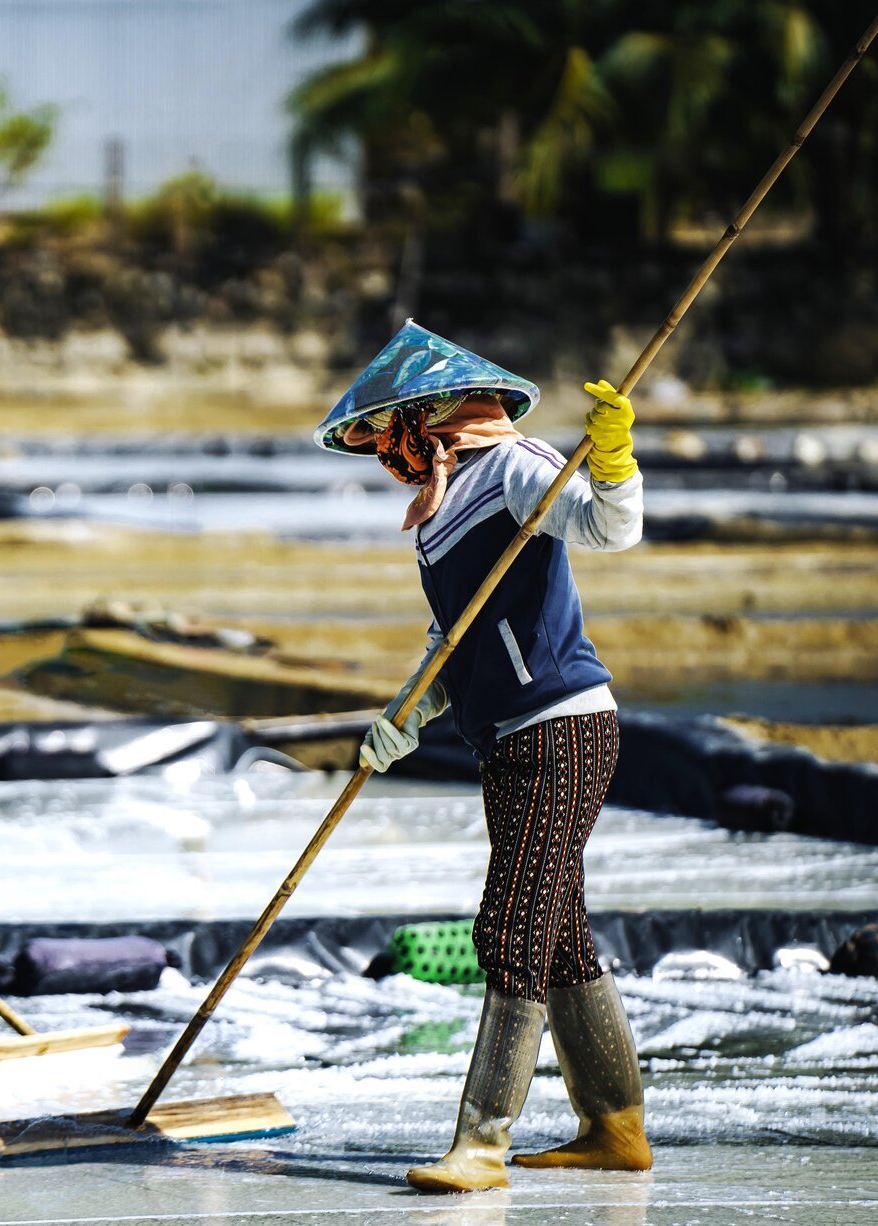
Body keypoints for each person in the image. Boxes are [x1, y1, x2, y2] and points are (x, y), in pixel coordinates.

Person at [315, 320, 650, 1193]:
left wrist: (612, 459)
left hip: (563, 725)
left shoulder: (512, 467)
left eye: (387, 438)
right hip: (506, 739)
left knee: (509, 928)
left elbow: (608, 530)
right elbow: (450, 638)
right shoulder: (436, 514)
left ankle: (483, 1145)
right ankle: (615, 1128)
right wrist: (407, 713)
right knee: (559, 935)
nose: (384, 456)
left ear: (428, 420)